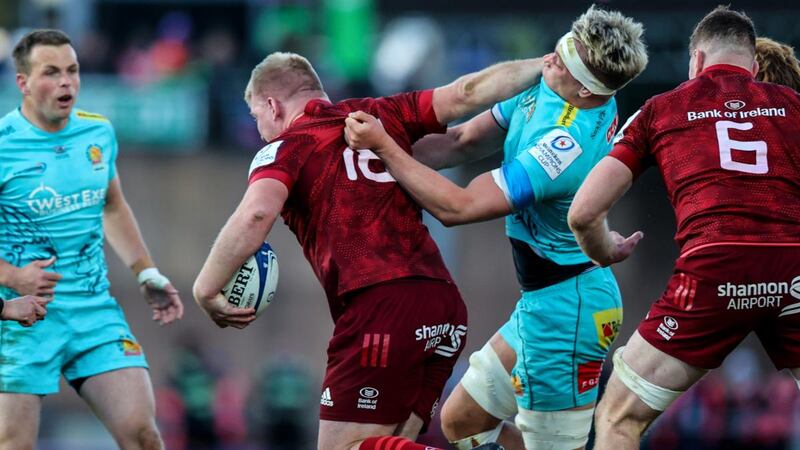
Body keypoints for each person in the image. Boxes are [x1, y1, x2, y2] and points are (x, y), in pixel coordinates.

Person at [192, 51, 545, 450]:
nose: (259, 131)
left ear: (271, 105)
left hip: (380, 306)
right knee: (389, 443)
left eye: (257, 117)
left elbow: (256, 215)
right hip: (442, 306)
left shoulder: (287, 147)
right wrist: (545, 67)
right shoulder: (381, 115)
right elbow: (465, 104)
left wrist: (205, 289)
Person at [343, 6, 648, 449]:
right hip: (543, 303)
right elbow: (460, 141)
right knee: (462, 422)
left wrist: (384, 147)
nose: (551, 59)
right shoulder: (556, 86)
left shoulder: (563, 148)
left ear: (585, 87)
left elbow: (459, 207)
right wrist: (354, 150)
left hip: (569, 312)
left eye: (564, 60)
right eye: (561, 46)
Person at [567, 6, 800, 450]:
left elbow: (582, 213)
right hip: (794, 268)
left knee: (617, 415)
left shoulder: (661, 109)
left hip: (715, 269)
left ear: (694, 61)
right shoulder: (793, 106)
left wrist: (604, 252)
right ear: (754, 67)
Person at [0, 29, 184, 450]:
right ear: (23, 83)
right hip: (21, 317)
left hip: (93, 311)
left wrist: (146, 272)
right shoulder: (4, 146)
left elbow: (113, 206)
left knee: (143, 435)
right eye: (52, 72)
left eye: (73, 70)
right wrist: (14, 275)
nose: (67, 82)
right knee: (15, 444)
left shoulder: (98, 134)